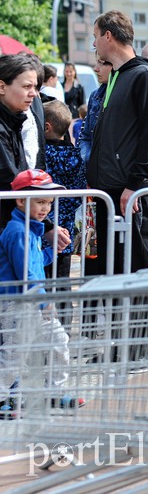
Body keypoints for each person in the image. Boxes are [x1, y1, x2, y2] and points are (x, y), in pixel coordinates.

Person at [0, 169, 84, 411]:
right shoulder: (18, 231)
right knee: (14, 353)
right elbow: (26, 273)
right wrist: (44, 303)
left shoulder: (31, 227)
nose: (46, 208)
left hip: (33, 300)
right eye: (40, 202)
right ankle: (3, 397)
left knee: (58, 341)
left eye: (48, 202)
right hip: (19, 303)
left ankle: (54, 391)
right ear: (19, 200)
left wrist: (52, 252)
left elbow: (35, 263)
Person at [89, 10, 148, 275]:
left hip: (129, 192)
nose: (94, 44)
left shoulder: (143, 75)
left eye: (95, 37)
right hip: (111, 189)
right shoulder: (117, 76)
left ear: (108, 36)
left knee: (135, 269)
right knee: (115, 269)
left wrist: (134, 184)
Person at [43, 100, 86, 279]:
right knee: (63, 280)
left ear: (46, 127)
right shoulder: (78, 156)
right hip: (67, 230)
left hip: (45, 228)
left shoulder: (42, 154)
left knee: (41, 278)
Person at [0, 54, 40, 226]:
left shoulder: (15, 119)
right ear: (2, 87)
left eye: (35, 86)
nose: (33, 93)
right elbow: (12, 179)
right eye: (26, 86)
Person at [77, 56, 112, 162]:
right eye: (97, 63)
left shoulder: (126, 94)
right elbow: (85, 136)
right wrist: (90, 160)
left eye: (102, 63)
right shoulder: (95, 96)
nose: (96, 68)